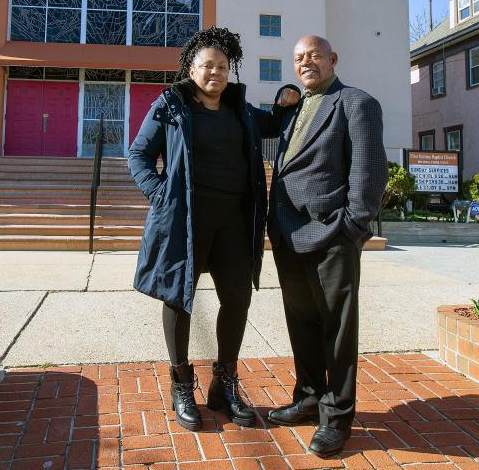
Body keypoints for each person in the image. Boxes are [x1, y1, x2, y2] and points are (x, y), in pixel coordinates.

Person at [128, 26, 299, 431]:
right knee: (177, 297)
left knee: (238, 298)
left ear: (230, 70)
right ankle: (181, 382)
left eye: (222, 66)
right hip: (185, 218)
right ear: (191, 68)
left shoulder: (240, 109)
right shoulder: (170, 104)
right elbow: (138, 155)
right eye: (207, 66)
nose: (215, 73)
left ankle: (224, 382)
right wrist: (162, 194)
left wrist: (285, 98)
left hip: (235, 220)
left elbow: (273, 124)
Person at [265, 35, 388, 456]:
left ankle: (336, 416)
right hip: (288, 234)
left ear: (332, 59)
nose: (306, 63)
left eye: (314, 55)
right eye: (299, 58)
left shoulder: (356, 103)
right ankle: (309, 396)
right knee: (302, 321)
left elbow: (369, 173)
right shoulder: (296, 107)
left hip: (332, 233)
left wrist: (352, 227)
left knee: (337, 328)